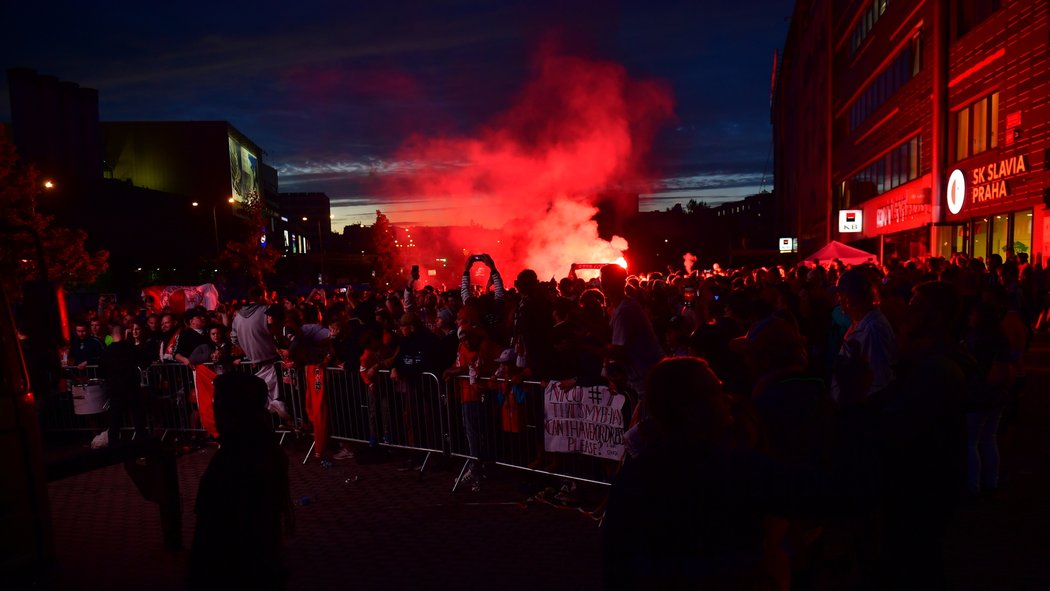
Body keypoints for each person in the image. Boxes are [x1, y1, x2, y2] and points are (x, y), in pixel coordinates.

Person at [187, 373, 293, 590]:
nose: (214, 409)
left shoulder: (236, 458)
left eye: (219, 403)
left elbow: (211, 537)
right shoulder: (263, 447)